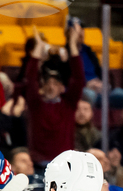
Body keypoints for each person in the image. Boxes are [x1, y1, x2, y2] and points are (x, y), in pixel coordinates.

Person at [24, 25, 85, 166]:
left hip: (64, 164)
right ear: (42, 87)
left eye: (56, 84)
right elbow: (30, 79)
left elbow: (79, 79)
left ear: (62, 88)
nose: (51, 87)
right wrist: (38, 48)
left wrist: (72, 45)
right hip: (39, 164)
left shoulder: (68, 105)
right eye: (48, 83)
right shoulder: (36, 104)